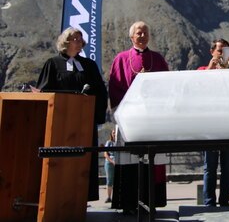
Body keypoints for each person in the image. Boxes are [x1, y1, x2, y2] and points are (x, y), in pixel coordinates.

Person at [36, 27, 107, 202]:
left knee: (82, 158)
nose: (79, 42)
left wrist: (96, 115)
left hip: (84, 122)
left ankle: (82, 196)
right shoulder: (52, 64)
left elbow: (100, 91)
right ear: (66, 41)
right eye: (75, 38)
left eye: (81, 39)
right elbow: (44, 91)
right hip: (61, 122)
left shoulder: (89, 65)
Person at [109, 21, 169, 215]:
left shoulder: (157, 59)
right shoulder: (121, 59)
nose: (142, 36)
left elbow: (167, 87)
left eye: (145, 33)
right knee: (130, 160)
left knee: (151, 160)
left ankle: (151, 202)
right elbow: (115, 88)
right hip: (130, 119)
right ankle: (128, 203)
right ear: (131, 37)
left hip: (153, 119)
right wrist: (123, 113)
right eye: (138, 33)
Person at [198, 38, 229, 207]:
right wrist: (210, 69)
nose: (222, 54)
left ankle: (225, 201)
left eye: (226, 51)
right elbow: (197, 89)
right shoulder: (202, 70)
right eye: (220, 50)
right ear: (212, 52)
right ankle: (209, 202)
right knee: (210, 167)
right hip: (210, 124)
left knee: (227, 168)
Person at [104, 129, 116, 203]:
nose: (114, 134)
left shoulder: (119, 143)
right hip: (109, 163)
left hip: (118, 162)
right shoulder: (109, 142)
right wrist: (111, 161)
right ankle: (109, 197)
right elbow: (105, 154)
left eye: (115, 133)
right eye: (113, 133)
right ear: (111, 134)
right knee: (109, 180)